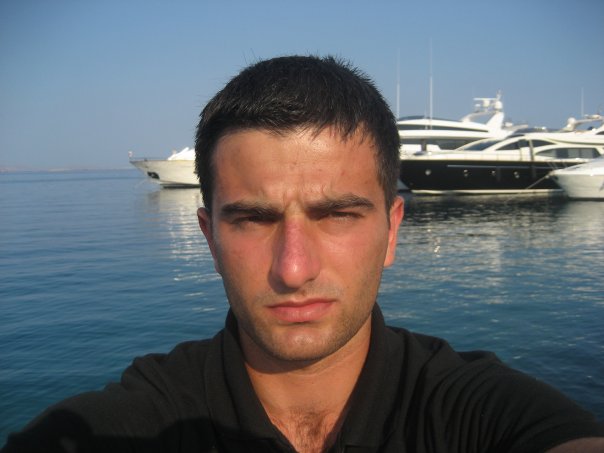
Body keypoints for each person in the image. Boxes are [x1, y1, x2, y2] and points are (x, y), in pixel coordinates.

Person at [3, 55, 603, 453]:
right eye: (253, 219)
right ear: (210, 239)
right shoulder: (139, 421)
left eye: (337, 215)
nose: (293, 270)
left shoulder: (479, 412)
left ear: (392, 232)